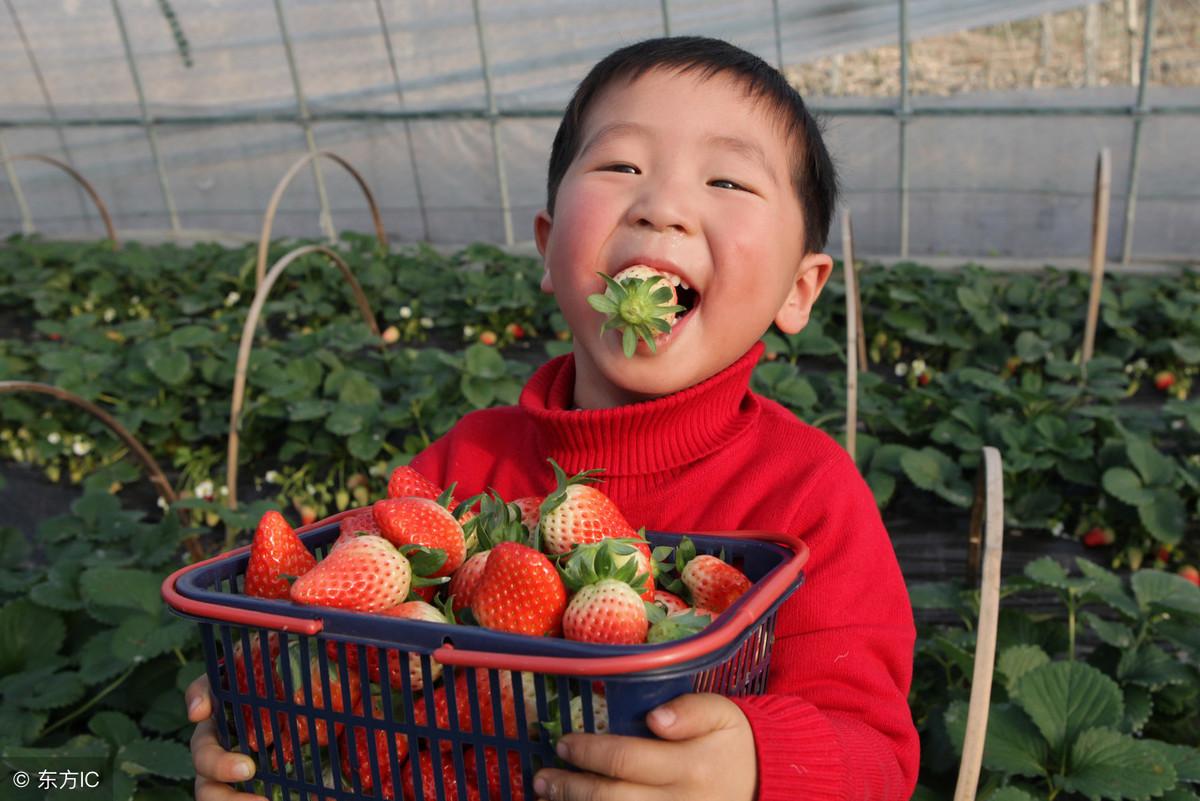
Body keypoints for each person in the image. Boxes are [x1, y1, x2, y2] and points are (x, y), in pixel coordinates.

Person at [186, 35, 917, 801]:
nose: (663, 206)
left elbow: (877, 756)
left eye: (728, 180)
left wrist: (756, 767)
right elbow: (359, 677)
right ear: (546, 247)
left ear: (799, 290)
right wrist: (271, 717)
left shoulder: (808, 495)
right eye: (621, 166)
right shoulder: (460, 469)